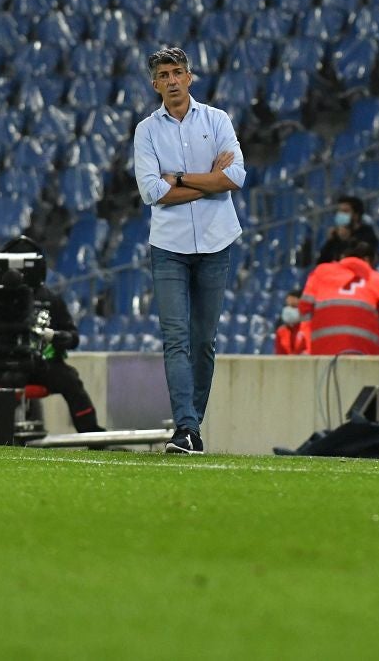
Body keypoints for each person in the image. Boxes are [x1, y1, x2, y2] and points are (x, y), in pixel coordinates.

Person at [133, 45, 246, 455]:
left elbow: (235, 177)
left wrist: (179, 179)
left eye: (178, 72)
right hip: (170, 246)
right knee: (176, 338)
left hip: (215, 243)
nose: (173, 81)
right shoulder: (146, 130)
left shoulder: (217, 119)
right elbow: (152, 191)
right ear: (155, 84)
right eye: (164, 75)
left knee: (203, 341)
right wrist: (208, 180)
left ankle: (190, 428)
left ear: (189, 76)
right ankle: (186, 427)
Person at [0, 237, 103, 433]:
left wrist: (53, 336)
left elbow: (73, 337)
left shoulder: (50, 299)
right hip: (1, 362)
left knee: (70, 379)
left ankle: (91, 432)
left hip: (39, 364)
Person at [300, 241, 379, 356]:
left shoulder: (320, 272)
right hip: (362, 354)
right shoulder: (373, 277)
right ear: (368, 260)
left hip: (323, 353)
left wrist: (312, 347)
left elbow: (304, 309)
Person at [316, 195, 379, 264]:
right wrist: (330, 241)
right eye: (339, 211)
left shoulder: (367, 234)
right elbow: (321, 263)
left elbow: (361, 259)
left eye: (345, 211)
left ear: (356, 215)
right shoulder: (336, 235)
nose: (340, 214)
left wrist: (346, 240)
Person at [274, 290, 309, 355]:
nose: (289, 310)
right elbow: (279, 356)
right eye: (287, 305)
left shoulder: (309, 329)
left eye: (293, 306)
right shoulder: (281, 332)